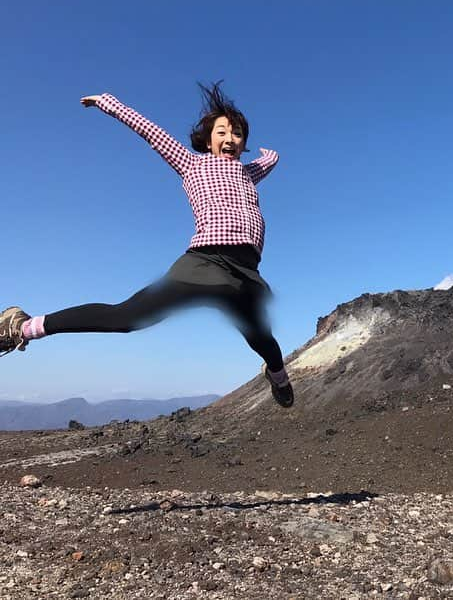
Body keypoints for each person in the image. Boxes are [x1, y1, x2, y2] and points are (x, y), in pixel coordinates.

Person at [0, 83, 294, 408]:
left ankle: (278, 375)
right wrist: (107, 102)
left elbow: (267, 163)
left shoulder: (247, 173)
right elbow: (150, 132)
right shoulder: (191, 163)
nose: (230, 138)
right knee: (127, 317)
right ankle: (25, 327)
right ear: (207, 140)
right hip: (204, 264)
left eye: (237, 133)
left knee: (261, 336)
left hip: (245, 272)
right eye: (222, 132)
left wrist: (272, 155)